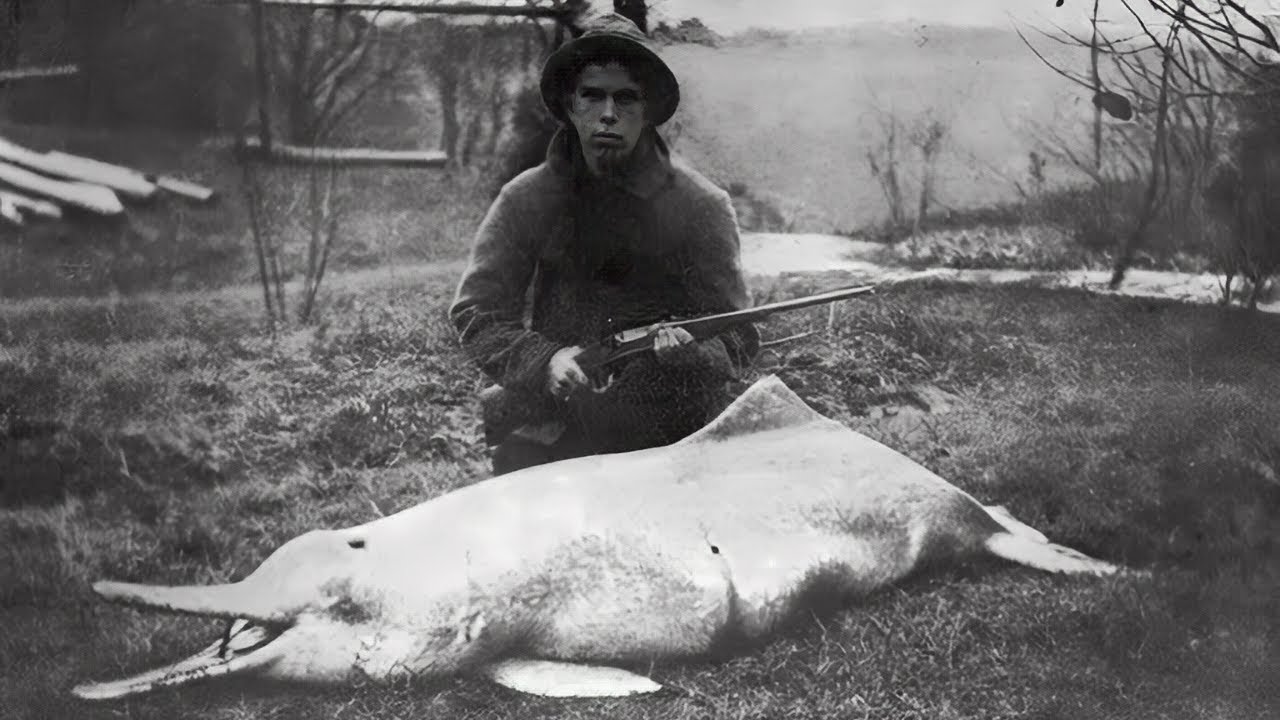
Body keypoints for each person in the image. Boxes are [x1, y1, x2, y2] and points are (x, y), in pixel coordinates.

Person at [449, 12, 760, 475]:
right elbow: (477, 312)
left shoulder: (701, 205)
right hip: (561, 429)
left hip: (674, 437)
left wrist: (692, 352)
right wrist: (546, 361)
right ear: (570, 105)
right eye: (592, 95)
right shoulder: (526, 198)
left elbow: (739, 334)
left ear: (648, 110)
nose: (608, 113)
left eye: (626, 98)